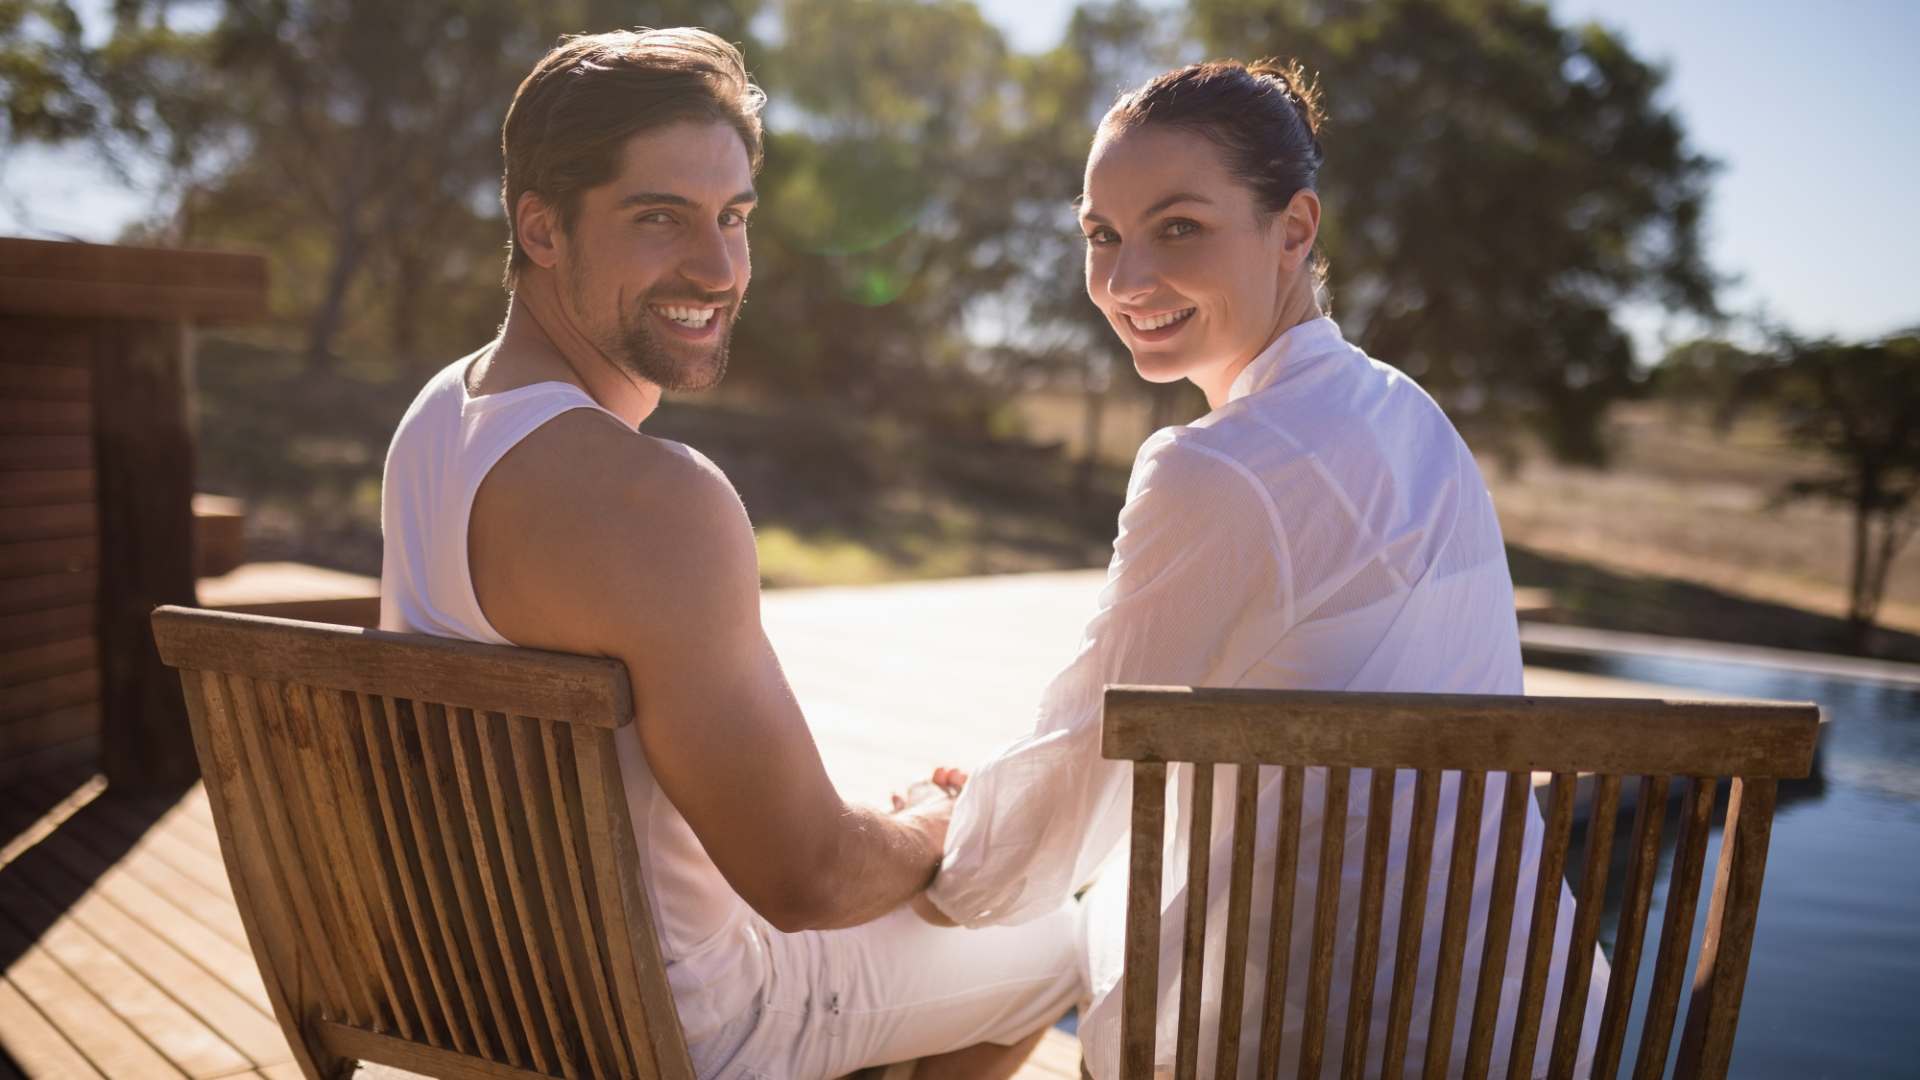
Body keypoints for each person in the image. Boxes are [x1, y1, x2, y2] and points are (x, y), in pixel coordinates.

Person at [378, 29, 1078, 1080]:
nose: (716, 266)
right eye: (658, 216)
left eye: (734, 218)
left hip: (484, 991)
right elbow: (806, 882)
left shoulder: (436, 419)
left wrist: (866, 830)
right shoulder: (655, 501)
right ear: (543, 228)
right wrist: (941, 822)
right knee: (1058, 940)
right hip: (681, 1024)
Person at [921, 60, 1610, 1078]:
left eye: (1180, 228)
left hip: (1293, 1037)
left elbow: (1068, 795)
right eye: (1101, 236)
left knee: (951, 957)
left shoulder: (1213, 466)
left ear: (1294, 229)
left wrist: (938, 838)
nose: (1124, 280)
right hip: (1520, 1031)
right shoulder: (1414, 418)